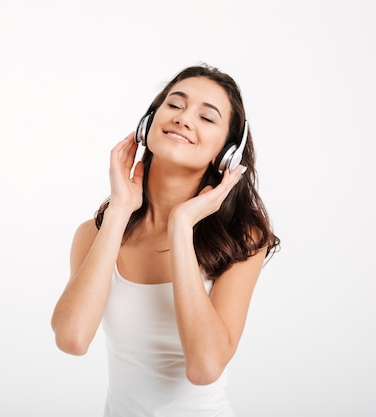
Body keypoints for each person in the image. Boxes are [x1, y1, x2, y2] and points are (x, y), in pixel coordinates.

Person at [51, 63, 280, 417]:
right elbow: (72, 339)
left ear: (227, 153)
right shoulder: (95, 233)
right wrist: (120, 211)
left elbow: (204, 368)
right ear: (148, 123)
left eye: (207, 117)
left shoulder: (243, 239)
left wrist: (182, 225)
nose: (184, 118)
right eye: (174, 105)